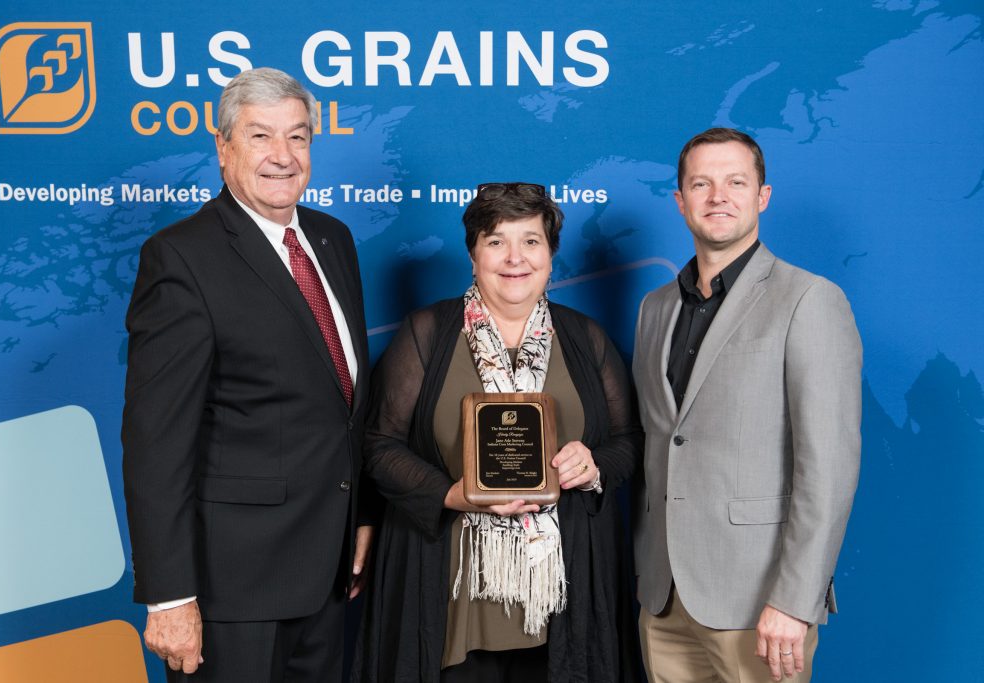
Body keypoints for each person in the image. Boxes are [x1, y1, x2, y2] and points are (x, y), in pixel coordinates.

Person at [122, 67, 373, 682]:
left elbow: (339, 404)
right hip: (231, 591)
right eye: (261, 137)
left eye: (299, 137)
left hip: (329, 571)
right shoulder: (182, 257)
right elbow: (157, 442)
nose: (283, 157)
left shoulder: (333, 239)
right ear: (224, 147)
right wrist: (170, 596)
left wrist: (360, 513)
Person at [351, 183, 641, 682]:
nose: (515, 258)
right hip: (449, 584)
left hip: (562, 588)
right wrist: (450, 495)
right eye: (495, 241)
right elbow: (378, 445)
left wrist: (594, 466)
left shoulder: (586, 337)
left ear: (551, 254)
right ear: (473, 254)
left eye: (530, 241)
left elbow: (628, 439)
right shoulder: (427, 332)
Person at [632, 128, 862, 683]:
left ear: (762, 196)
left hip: (760, 603)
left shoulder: (809, 299)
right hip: (664, 599)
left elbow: (827, 470)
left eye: (736, 182)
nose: (718, 196)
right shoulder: (654, 308)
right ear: (680, 200)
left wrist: (795, 600)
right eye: (701, 183)